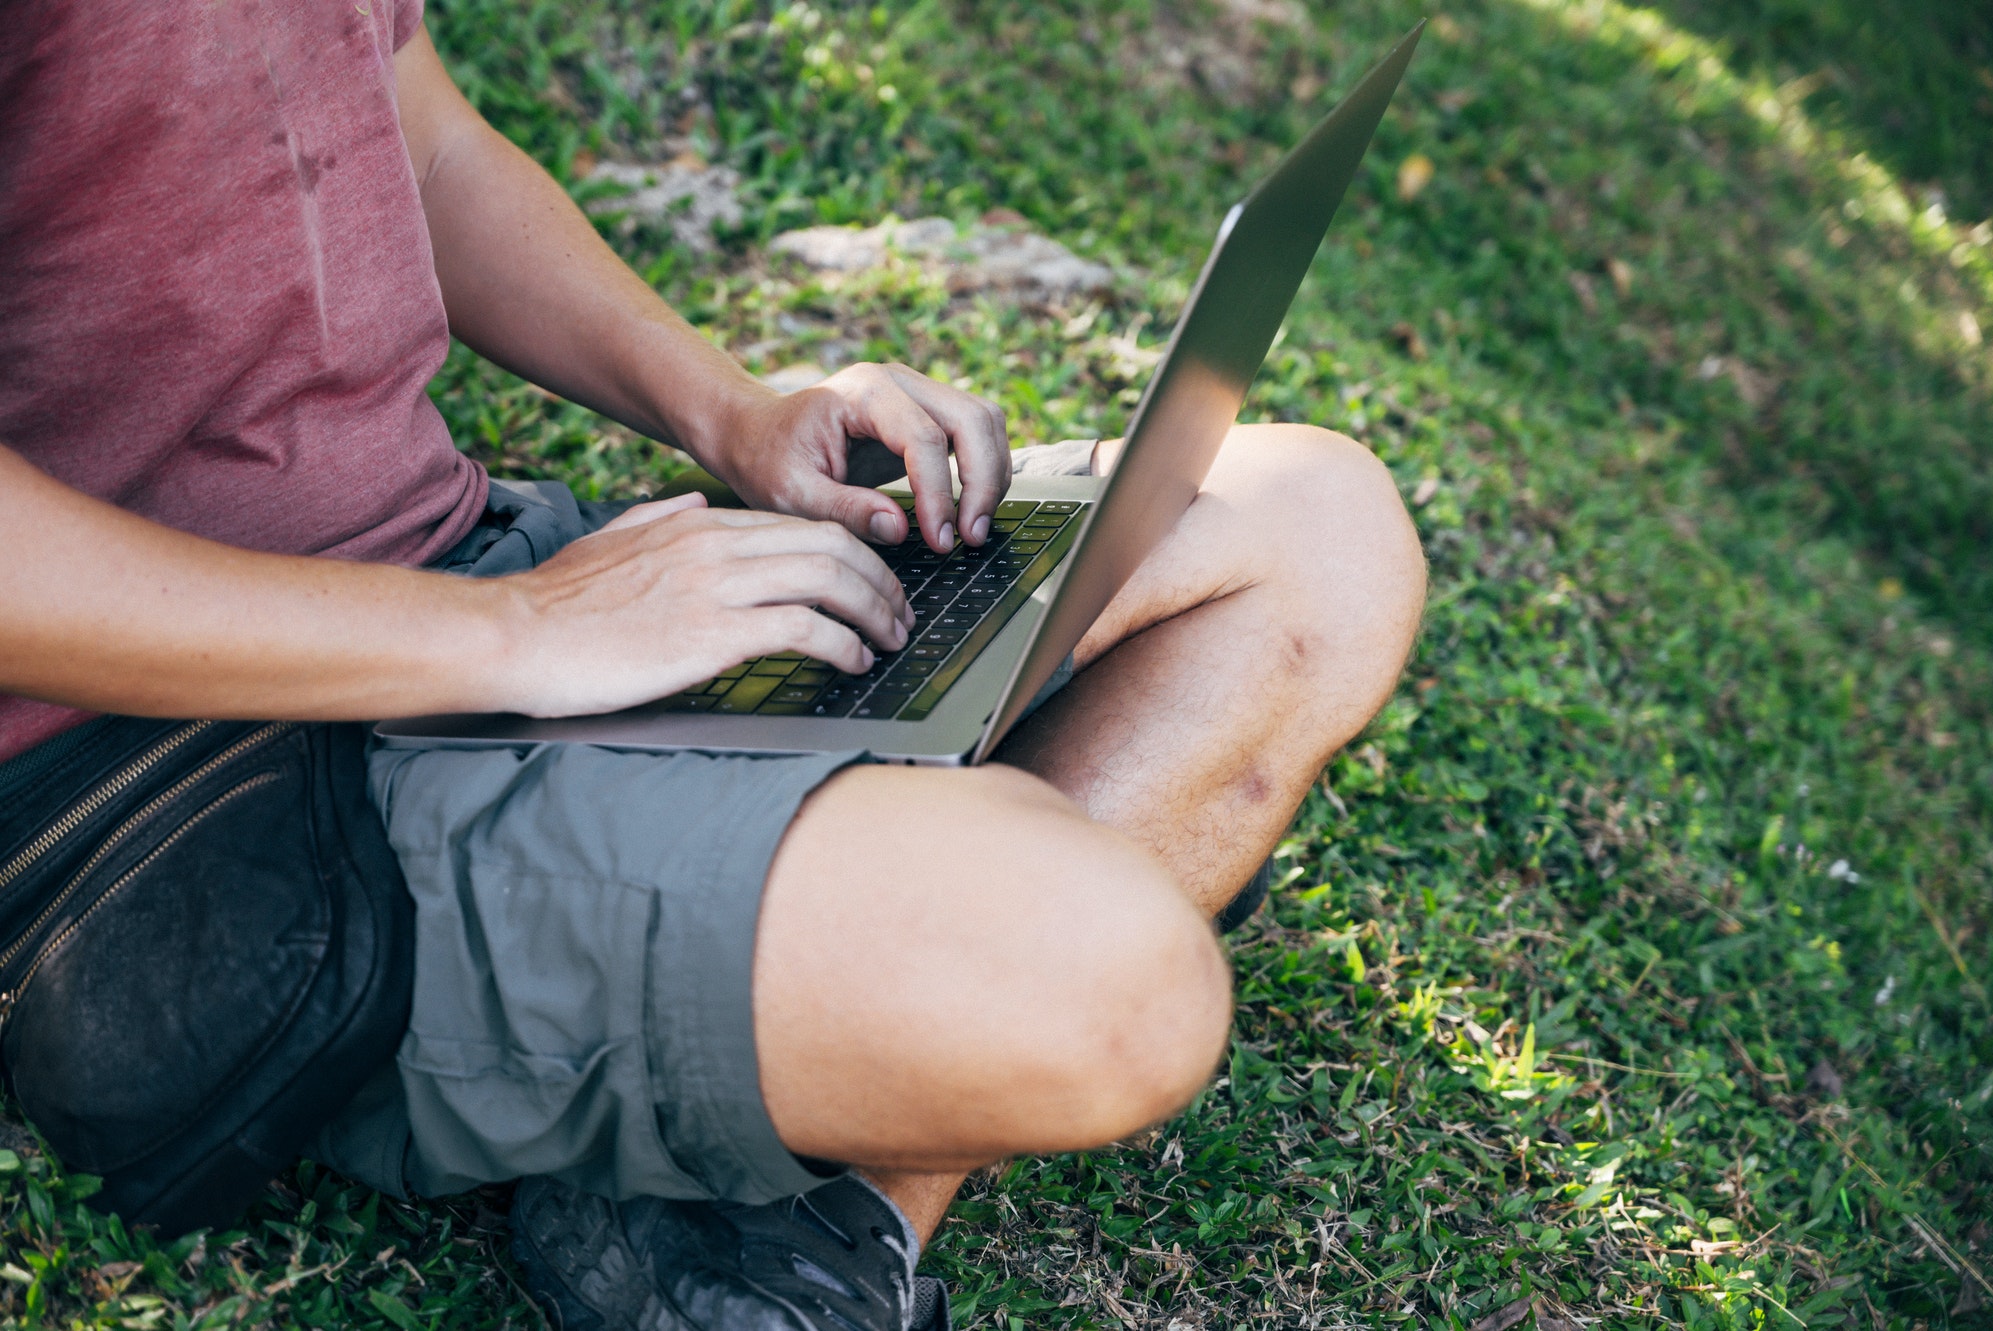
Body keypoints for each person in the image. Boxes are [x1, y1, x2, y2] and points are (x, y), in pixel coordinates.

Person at [0, 3, 1425, 1328]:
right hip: (179, 777)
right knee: (1116, 983)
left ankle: (801, 1234)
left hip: (464, 586)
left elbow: (415, 131)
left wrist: (733, 415)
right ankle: (754, 1079)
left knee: (1315, 526)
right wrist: (522, 636)